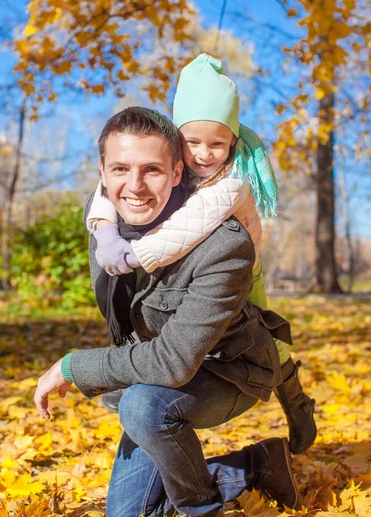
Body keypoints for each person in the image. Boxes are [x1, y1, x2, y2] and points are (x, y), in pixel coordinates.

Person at [34, 107, 301, 516]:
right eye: (121, 169)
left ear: (178, 172)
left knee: (143, 408)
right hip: (151, 382)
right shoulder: (104, 224)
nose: (135, 186)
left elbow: (174, 362)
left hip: (228, 370)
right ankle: (257, 465)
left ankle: (203, 508)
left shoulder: (225, 246)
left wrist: (74, 367)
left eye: (153, 170)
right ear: (102, 173)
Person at [85, 54, 316, 455]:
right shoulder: (170, 166)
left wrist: (133, 255)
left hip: (244, 268)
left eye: (217, 144)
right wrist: (105, 231)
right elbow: (105, 188)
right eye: (192, 142)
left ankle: (295, 399)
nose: (204, 154)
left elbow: (181, 232)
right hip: (205, 263)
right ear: (177, 139)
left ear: (233, 144)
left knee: (261, 336)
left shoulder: (231, 184)